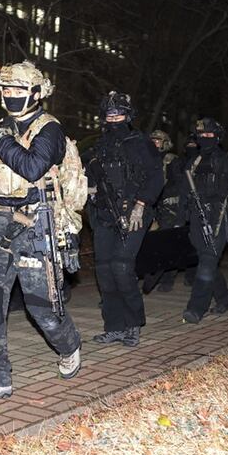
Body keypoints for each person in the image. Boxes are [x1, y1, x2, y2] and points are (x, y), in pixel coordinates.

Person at [0, 61, 84, 404]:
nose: (11, 96)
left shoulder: (50, 130)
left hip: (37, 221)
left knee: (41, 308)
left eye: (18, 90)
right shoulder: (0, 126)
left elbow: (32, 168)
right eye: (6, 90)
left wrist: (1, 142)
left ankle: (70, 343)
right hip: (0, 220)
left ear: (35, 92)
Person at [84, 92, 163, 347]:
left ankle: (133, 324)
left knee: (121, 267)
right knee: (105, 271)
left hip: (132, 213)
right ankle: (114, 326)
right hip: (104, 214)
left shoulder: (140, 142)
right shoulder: (99, 145)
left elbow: (155, 178)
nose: (114, 118)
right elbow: (86, 176)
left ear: (128, 115)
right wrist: (87, 189)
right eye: (109, 115)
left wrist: (141, 204)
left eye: (118, 114)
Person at [178, 118, 228, 323]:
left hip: (218, 217)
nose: (205, 138)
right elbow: (183, 193)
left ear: (218, 137)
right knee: (206, 261)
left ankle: (195, 309)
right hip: (195, 219)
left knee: (208, 261)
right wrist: (178, 220)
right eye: (202, 135)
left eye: (210, 135)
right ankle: (224, 298)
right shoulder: (192, 162)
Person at [142, 130, 185, 294]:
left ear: (165, 143)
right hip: (150, 207)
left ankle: (167, 279)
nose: (155, 143)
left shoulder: (172, 161)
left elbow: (180, 186)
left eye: (158, 140)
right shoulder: (145, 159)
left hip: (168, 209)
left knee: (167, 245)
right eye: (152, 140)